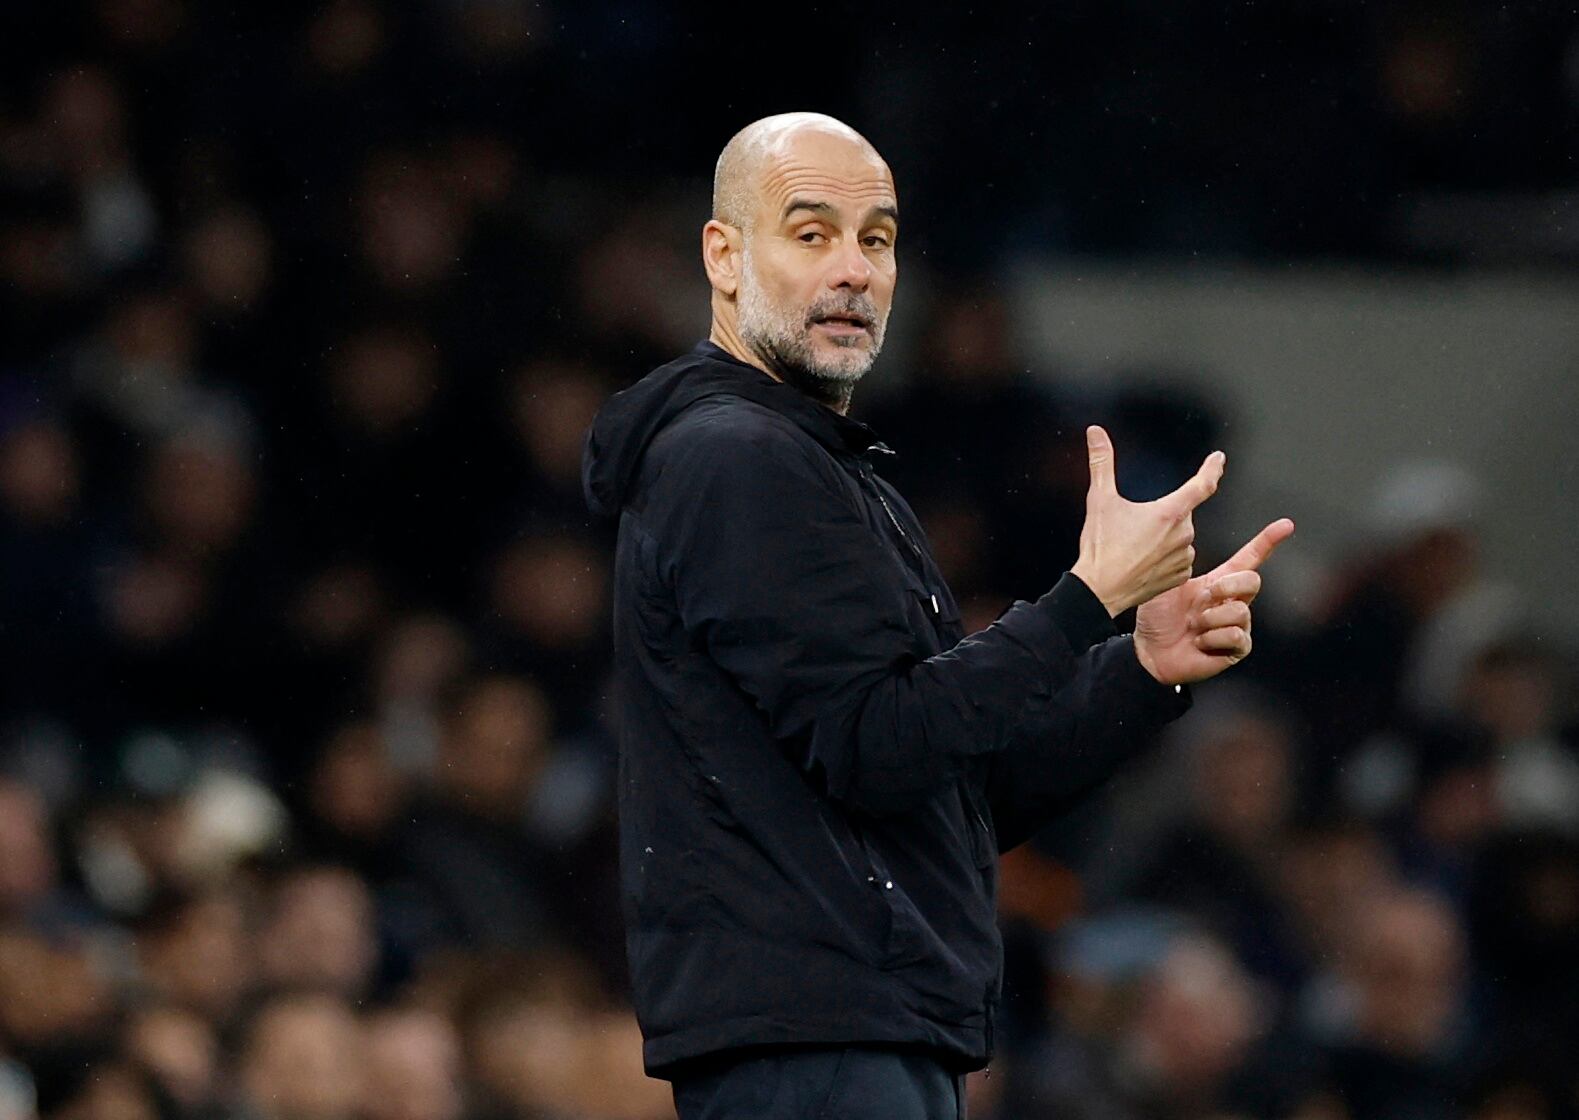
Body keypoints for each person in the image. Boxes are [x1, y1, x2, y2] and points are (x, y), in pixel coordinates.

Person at [581, 112, 1294, 1120]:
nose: (854, 269)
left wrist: (1140, 664)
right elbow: (880, 748)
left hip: (853, 1032)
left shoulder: (825, 468)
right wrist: (1083, 601)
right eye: (811, 232)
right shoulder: (737, 456)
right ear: (723, 256)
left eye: (876, 239)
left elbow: (951, 789)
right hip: (816, 1043)